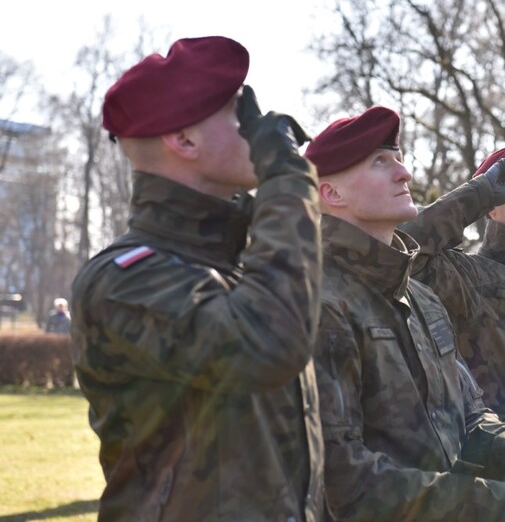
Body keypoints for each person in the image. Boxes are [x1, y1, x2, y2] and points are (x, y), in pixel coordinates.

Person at [69, 37, 324, 521]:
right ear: (184, 141)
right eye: (238, 114)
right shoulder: (122, 281)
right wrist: (285, 177)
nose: (258, 130)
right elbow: (266, 346)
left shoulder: (240, 261)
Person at [305, 107, 505, 522]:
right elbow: (342, 481)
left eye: (398, 158)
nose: (403, 173)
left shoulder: (420, 299)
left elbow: (465, 418)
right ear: (332, 193)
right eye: (380, 163)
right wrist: (488, 505)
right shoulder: (319, 304)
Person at [399, 140, 505, 429]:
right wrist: (478, 194)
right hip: (496, 465)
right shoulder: (468, 277)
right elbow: (401, 247)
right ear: (492, 209)